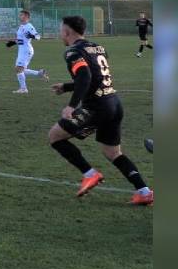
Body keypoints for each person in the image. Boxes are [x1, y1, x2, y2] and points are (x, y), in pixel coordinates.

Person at [47, 15, 152, 205]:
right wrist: (67, 86)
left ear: (67, 31)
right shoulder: (98, 47)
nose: (60, 34)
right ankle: (144, 191)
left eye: (61, 30)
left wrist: (71, 105)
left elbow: (85, 77)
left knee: (55, 136)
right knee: (113, 153)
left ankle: (90, 174)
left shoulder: (73, 52)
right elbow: (95, 77)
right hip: (113, 103)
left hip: (97, 107)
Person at [7, 9, 48, 93]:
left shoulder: (29, 26)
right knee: (20, 69)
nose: (20, 16)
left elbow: (38, 36)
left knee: (19, 69)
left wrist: (31, 36)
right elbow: (21, 40)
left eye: (21, 15)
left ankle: (23, 89)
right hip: (22, 50)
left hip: (26, 50)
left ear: (26, 17)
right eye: (20, 15)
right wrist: (12, 43)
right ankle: (39, 73)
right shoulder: (21, 26)